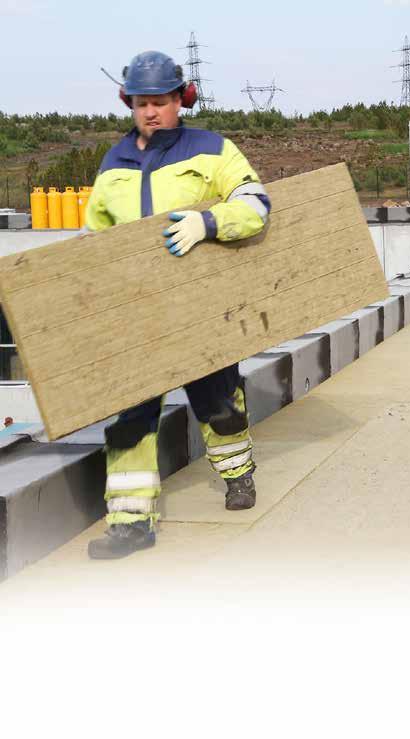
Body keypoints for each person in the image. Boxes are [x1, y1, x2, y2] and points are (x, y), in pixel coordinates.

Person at [84, 51, 271, 557]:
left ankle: (238, 474)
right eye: (142, 103)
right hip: (138, 311)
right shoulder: (113, 163)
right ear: (129, 103)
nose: (151, 112)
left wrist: (206, 223)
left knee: (218, 399)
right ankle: (130, 522)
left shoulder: (213, 150)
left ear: (180, 100)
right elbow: (94, 238)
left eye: (161, 102)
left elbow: (256, 205)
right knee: (130, 415)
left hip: (199, 304)